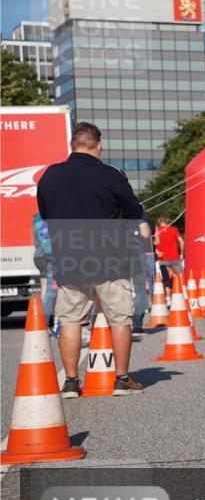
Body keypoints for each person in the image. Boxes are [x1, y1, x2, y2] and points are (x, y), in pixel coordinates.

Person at [36, 122, 145, 397]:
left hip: (70, 260)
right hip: (110, 260)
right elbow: (134, 212)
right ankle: (121, 379)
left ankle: (71, 382)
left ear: (73, 145)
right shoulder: (111, 176)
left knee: (71, 320)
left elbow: (46, 215)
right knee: (119, 319)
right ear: (99, 146)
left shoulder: (50, 176)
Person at [31, 212, 58, 334]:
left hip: (39, 255)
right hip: (50, 256)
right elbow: (49, 243)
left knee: (45, 288)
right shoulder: (50, 217)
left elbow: (37, 240)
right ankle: (47, 323)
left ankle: (46, 323)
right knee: (52, 291)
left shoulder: (37, 218)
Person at [129, 210, 153, 334]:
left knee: (116, 288)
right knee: (139, 289)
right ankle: (137, 325)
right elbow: (145, 234)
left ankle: (116, 324)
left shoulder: (110, 205)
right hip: (137, 254)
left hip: (115, 254)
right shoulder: (137, 209)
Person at [154, 214, 183, 287]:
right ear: (167, 221)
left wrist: (156, 251)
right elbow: (181, 241)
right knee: (180, 277)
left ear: (159, 221)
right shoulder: (174, 229)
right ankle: (183, 293)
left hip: (163, 259)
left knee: (165, 279)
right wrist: (181, 253)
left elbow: (153, 243)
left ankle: (168, 296)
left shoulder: (157, 231)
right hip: (175, 257)